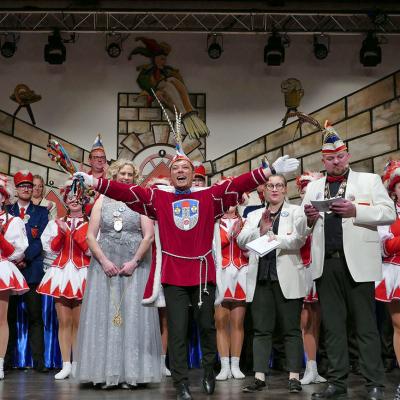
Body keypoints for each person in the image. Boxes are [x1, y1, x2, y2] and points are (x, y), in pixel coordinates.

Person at [74, 150, 299, 400]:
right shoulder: (158, 197)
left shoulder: (209, 195)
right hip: (173, 275)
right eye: (176, 168)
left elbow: (238, 184)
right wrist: (95, 182)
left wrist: (268, 171)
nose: (180, 171)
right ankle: (181, 384)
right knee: (178, 331)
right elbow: (127, 192)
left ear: (193, 174)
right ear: (170, 175)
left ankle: (208, 373)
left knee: (206, 328)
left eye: (185, 168)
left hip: (203, 274)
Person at [302, 121, 395, 400]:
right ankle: (337, 383)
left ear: (348, 155)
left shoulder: (369, 181)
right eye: (330, 159)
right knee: (332, 326)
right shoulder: (315, 187)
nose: (336, 161)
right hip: (326, 263)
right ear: (323, 160)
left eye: (340, 156)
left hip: (358, 262)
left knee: (365, 326)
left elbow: (388, 212)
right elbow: (300, 228)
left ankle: (375, 383)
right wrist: (308, 220)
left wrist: (356, 210)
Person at [75, 159, 161, 389]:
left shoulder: (140, 199)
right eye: (122, 173)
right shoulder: (102, 199)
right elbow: (91, 235)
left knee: (132, 317)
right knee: (106, 316)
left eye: (129, 174)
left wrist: (134, 262)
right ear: (114, 175)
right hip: (106, 265)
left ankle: (131, 374)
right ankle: (106, 373)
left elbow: (149, 236)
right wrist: (103, 261)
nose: (125, 177)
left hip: (134, 266)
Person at [238, 174, 307, 394]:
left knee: (291, 330)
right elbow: (241, 240)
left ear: (285, 190)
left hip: (286, 277)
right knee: (261, 330)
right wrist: (260, 229)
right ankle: (259, 376)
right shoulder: (255, 214)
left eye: (279, 185)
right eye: (270, 186)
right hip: (261, 278)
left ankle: (294, 376)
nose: (274, 189)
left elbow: (299, 239)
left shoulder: (296, 211)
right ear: (265, 190)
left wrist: (274, 237)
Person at [37, 180, 91, 380]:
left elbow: (89, 250)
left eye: (78, 196)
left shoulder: (91, 224)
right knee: (64, 321)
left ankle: (77, 364)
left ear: (84, 199)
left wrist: (70, 232)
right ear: (66, 200)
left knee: (79, 322)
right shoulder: (55, 222)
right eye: (70, 196)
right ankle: (65, 364)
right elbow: (51, 249)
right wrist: (61, 232)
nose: (74, 200)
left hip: (82, 273)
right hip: (61, 273)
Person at [6, 170, 49, 372]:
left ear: (33, 189)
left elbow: (41, 240)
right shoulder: (6, 211)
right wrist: (14, 259)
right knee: (8, 316)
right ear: (16, 189)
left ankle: (39, 362)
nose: (26, 189)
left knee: (35, 315)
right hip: (9, 270)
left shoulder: (41, 213)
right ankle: (6, 360)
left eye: (29, 186)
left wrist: (25, 257)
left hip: (31, 270)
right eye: (22, 186)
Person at [214, 186, 248, 381]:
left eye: (233, 199)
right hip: (221, 273)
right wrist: (230, 235)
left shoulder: (247, 221)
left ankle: (235, 365)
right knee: (220, 322)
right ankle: (223, 366)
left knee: (238, 322)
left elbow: (251, 244)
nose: (230, 204)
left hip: (241, 272)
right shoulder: (213, 222)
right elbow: (213, 245)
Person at [296, 172, 327, 385]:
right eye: (305, 190)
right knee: (305, 321)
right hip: (302, 268)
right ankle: (308, 366)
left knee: (318, 320)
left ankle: (316, 367)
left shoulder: (326, 211)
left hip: (321, 267)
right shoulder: (297, 213)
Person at [375, 160, 400, 400]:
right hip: (395, 273)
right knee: (399, 326)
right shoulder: (387, 213)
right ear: (394, 189)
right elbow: (384, 248)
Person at [0, 174, 29, 379]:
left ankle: (0, 363)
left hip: (2, 267)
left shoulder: (13, 221)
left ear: (3, 197)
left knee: (1, 319)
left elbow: (14, 253)